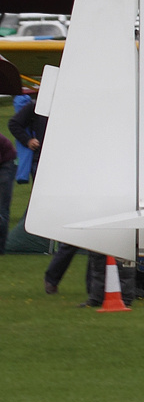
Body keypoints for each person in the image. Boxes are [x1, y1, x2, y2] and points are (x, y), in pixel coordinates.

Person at [10, 90, 80, 293]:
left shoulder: (68, 106)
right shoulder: (36, 105)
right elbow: (14, 124)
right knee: (51, 209)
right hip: (44, 161)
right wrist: (28, 140)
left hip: (65, 162)